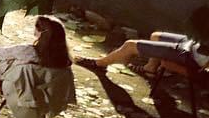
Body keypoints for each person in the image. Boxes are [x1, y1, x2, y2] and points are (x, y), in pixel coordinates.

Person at [77, 31, 206, 76]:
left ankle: (100, 64)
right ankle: (150, 69)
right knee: (156, 36)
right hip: (194, 44)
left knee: (130, 45)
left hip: (191, 56)